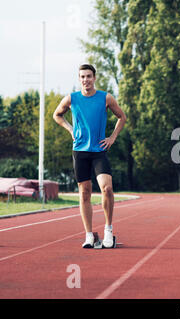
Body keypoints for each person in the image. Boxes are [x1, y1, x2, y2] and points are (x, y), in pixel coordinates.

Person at [53, 64, 126, 248]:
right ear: (79, 79)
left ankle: (108, 230)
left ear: (94, 78)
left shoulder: (105, 98)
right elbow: (57, 115)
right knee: (84, 193)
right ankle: (89, 235)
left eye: (88, 76)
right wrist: (70, 129)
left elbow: (122, 117)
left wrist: (112, 137)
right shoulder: (72, 99)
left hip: (99, 151)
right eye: (82, 77)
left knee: (106, 188)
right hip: (80, 151)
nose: (86, 80)